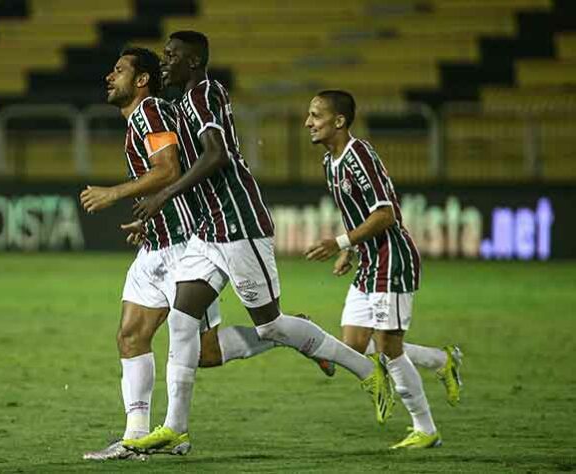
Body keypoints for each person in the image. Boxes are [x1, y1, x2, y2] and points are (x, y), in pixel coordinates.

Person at [123, 31, 393, 455]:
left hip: (238, 224)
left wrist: (162, 195)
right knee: (181, 317)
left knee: (271, 324)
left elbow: (217, 156)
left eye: (172, 57)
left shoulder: (203, 95)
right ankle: (175, 427)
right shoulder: (187, 102)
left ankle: (368, 370)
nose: (164, 63)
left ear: (193, 62)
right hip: (208, 230)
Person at [79, 47, 330, 461]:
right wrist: (148, 221)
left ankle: (291, 334)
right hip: (156, 244)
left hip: (185, 247)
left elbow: (169, 170)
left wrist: (114, 193)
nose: (110, 76)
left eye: (119, 70)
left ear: (142, 80)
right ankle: (133, 437)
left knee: (207, 353)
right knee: (130, 335)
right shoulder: (138, 121)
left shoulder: (152, 113)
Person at [303, 90, 460, 448]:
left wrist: (340, 243)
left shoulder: (359, 154)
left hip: (392, 259)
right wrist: (352, 250)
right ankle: (440, 360)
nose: (308, 123)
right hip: (369, 261)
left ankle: (426, 429)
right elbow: (357, 214)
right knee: (353, 347)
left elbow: (385, 214)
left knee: (389, 347)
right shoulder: (330, 162)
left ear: (339, 121)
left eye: (315, 115)